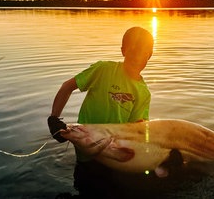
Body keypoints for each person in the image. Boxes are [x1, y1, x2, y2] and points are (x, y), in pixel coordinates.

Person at [47, 26, 155, 198]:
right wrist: (54, 118)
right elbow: (67, 87)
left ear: (149, 56)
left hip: (112, 158)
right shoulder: (103, 70)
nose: (138, 57)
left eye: (144, 53)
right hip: (86, 156)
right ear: (123, 51)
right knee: (86, 188)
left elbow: (137, 130)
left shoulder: (143, 93)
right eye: (133, 50)